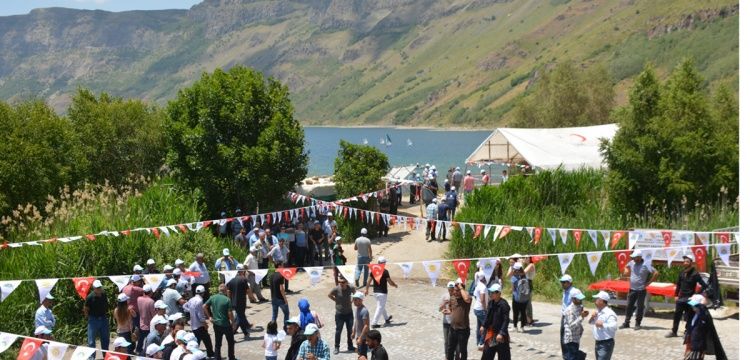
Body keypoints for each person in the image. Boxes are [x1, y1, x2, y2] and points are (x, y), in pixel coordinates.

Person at [667, 253, 707, 338]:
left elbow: (704, 285)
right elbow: (678, 285)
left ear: (691, 263)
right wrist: (676, 295)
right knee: (677, 315)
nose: (685, 263)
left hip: (690, 299)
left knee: (689, 316)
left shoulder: (695, 274)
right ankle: (674, 331)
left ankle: (687, 332)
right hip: (681, 298)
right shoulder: (682, 272)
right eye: (684, 261)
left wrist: (697, 294)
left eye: (687, 261)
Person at [620, 249, 659, 330]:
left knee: (640, 307)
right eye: (633, 257)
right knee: (629, 306)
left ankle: (638, 323)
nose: (633, 259)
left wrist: (648, 283)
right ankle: (626, 322)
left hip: (641, 290)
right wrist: (626, 270)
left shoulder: (646, 264)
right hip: (632, 289)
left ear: (639, 257)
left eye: (635, 257)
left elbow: (656, 273)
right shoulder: (631, 262)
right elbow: (626, 268)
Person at [683, 294, 727, 360]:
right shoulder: (693, 314)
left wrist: (701, 304)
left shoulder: (704, 315)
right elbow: (683, 301)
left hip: (698, 345)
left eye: (694, 305)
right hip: (691, 343)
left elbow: (702, 308)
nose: (692, 306)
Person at [204, 284, 235, 360]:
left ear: (218, 290)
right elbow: (230, 313)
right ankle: (231, 357)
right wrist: (233, 322)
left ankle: (217, 357)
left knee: (218, 343)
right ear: (225, 291)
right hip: (226, 324)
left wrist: (209, 317)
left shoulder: (213, 297)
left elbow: (204, 306)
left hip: (216, 324)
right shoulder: (227, 299)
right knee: (230, 342)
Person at [480, 283, 510, 360]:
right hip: (492, 334)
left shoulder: (504, 305)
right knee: (487, 355)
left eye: (493, 292)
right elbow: (488, 316)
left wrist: (501, 333)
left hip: (501, 335)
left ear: (499, 293)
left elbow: (506, 320)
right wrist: (484, 325)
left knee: (504, 356)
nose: (491, 294)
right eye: (491, 292)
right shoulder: (491, 303)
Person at [183, 285, 215, 358]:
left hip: (193, 325)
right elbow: (200, 316)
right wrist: (205, 324)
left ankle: (192, 355)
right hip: (199, 325)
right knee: (206, 340)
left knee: (198, 340)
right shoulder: (200, 301)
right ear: (203, 293)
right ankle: (210, 354)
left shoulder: (191, 299)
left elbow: (184, 306)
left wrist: (191, 311)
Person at [365, 257, 397, 328]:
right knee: (380, 307)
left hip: (375, 293)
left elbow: (368, 282)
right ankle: (374, 323)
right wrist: (395, 285)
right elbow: (390, 282)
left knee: (381, 306)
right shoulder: (385, 271)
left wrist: (366, 290)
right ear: (383, 263)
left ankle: (386, 318)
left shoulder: (373, 270)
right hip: (382, 292)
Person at [328, 276, 355, 354]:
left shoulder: (351, 288)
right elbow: (329, 295)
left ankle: (350, 346)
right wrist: (336, 300)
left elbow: (355, 293)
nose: (341, 284)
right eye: (339, 282)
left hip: (349, 313)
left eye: (343, 282)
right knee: (338, 331)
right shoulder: (336, 289)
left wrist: (352, 301)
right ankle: (337, 347)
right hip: (340, 314)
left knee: (350, 330)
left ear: (347, 282)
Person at [588, 291, 617, 360]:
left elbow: (614, 327)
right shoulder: (598, 311)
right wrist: (592, 317)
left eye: (596, 299)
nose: (594, 301)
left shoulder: (609, 313)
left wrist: (603, 325)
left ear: (602, 301)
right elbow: (590, 322)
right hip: (598, 342)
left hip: (606, 343)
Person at [447, 279, 472, 360]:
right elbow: (451, 310)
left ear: (462, 291)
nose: (455, 292)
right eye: (454, 290)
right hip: (453, 328)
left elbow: (467, 299)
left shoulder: (467, 298)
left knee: (462, 350)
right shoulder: (452, 298)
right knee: (450, 349)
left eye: (457, 291)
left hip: (463, 330)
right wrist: (447, 311)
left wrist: (461, 287)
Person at [227, 265, 254, 338]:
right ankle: (232, 332)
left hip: (234, 302)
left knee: (240, 316)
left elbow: (228, 291)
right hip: (241, 302)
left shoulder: (231, 279)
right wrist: (252, 297)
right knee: (240, 317)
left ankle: (245, 332)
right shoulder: (243, 279)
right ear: (242, 271)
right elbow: (248, 290)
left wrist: (229, 300)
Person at [562, 288, 588, 360]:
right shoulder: (569, 310)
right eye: (579, 299)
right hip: (571, 338)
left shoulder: (578, 307)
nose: (581, 300)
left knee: (574, 355)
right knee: (572, 357)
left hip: (576, 337)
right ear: (573, 299)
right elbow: (572, 326)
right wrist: (581, 316)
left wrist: (582, 314)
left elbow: (578, 321)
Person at [84, 280, 109, 352]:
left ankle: (106, 356)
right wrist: (88, 318)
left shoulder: (104, 294)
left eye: (100, 287)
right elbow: (86, 308)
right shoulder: (90, 297)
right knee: (91, 340)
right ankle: (91, 357)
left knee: (105, 339)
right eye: (97, 288)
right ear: (94, 288)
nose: (99, 289)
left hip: (103, 318)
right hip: (93, 319)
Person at [559, 274, 578, 356]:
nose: (562, 284)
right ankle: (565, 355)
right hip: (564, 316)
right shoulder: (565, 291)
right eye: (561, 282)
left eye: (564, 282)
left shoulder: (575, 291)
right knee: (563, 337)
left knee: (571, 339)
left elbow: (580, 304)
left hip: (572, 317)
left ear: (570, 283)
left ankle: (571, 355)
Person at [510, 263, 530, 332]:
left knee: (515, 313)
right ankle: (522, 327)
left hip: (516, 298)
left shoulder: (513, 278)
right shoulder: (524, 276)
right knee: (523, 312)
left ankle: (515, 327)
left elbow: (513, 289)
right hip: (524, 298)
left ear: (515, 269)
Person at [136, 285, 156, 354]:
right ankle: (146, 352)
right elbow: (153, 314)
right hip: (149, 324)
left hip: (141, 322)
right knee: (148, 340)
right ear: (150, 292)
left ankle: (138, 350)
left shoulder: (139, 299)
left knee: (141, 339)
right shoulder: (151, 301)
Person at [271, 261, 290, 326]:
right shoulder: (281, 275)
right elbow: (281, 289)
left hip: (273, 298)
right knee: (286, 313)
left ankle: (272, 329)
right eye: (282, 265)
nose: (283, 266)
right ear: (279, 266)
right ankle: (286, 328)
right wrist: (285, 299)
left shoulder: (271, 275)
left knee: (274, 316)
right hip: (280, 299)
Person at [439, 282, 455, 360]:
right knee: (446, 341)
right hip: (446, 322)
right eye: (449, 290)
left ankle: (456, 355)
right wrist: (443, 304)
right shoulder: (444, 296)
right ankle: (447, 356)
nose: (450, 292)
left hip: (454, 322)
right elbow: (439, 309)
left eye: (452, 290)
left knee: (455, 341)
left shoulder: (456, 296)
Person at [352, 291, 370, 358]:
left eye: (355, 299)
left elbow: (366, 326)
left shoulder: (364, 311)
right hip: (359, 336)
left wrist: (360, 338)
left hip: (364, 338)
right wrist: (354, 332)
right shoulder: (357, 309)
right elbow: (356, 321)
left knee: (363, 356)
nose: (353, 301)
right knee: (359, 353)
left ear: (360, 300)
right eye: (353, 299)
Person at [472, 273, 488, 350]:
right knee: (485, 326)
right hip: (481, 309)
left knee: (479, 326)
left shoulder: (478, 284)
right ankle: (481, 343)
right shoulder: (483, 287)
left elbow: (475, 296)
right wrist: (485, 309)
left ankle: (478, 341)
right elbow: (482, 299)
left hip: (476, 308)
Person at [522, 257, 537, 325]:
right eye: (524, 258)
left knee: (527, 303)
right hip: (525, 283)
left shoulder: (531, 265)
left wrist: (521, 264)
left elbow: (523, 272)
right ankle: (526, 319)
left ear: (529, 258)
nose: (524, 259)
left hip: (528, 283)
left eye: (526, 258)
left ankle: (530, 320)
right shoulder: (528, 265)